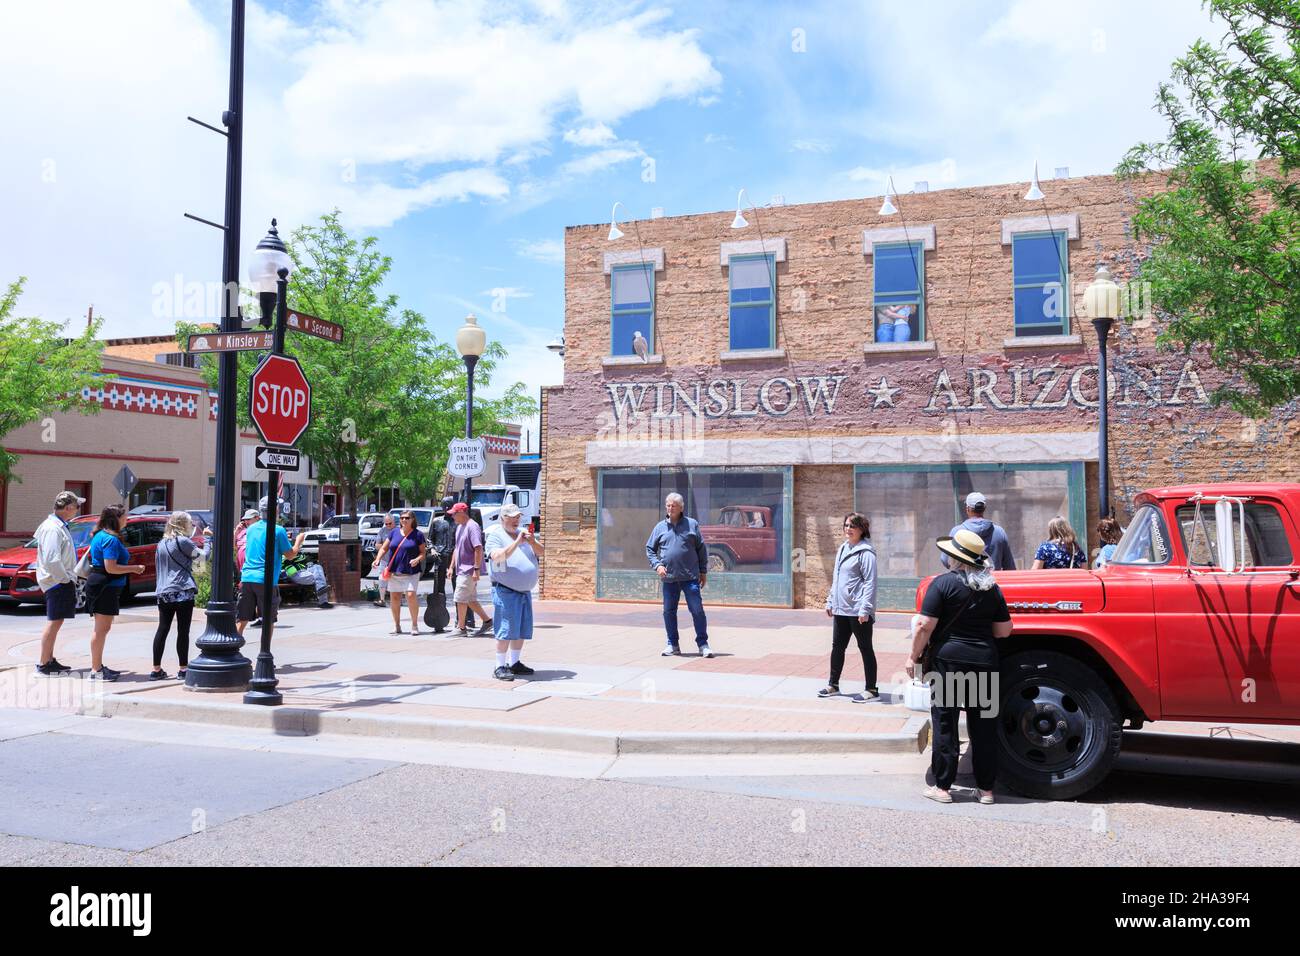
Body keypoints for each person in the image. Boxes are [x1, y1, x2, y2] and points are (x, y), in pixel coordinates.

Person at [908, 529, 1013, 805]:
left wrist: (913, 656)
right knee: (983, 727)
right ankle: (986, 790)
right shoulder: (992, 589)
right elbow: (1004, 631)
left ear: (954, 559)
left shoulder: (942, 584)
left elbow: (924, 625)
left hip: (949, 663)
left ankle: (943, 788)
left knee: (946, 723)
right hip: (984, 663)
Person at [819, 512, 879, 701]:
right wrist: (830, 600)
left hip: (858, 611)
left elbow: (870, 582)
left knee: (865, 648)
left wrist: (865, 609)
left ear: (862, 529)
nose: (848, 529)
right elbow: (837, 578)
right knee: (837, 647)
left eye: (852, 526)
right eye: (846, 525)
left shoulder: (866, 553)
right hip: (841, 609)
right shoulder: (843, 548)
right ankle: (833, 685)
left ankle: (871, 689)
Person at [83, 505, 146, 681]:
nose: (127, 518)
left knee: (103, 628)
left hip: (103, 586)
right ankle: (96, 671)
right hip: (104, 587)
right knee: (100, 629)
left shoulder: (100, 535)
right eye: (124, 516)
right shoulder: (110, 539)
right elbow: (110, 567)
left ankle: (98, 667)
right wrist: (134, 568)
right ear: (116, 519)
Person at [645, 492, 712, 658]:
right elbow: (650, 549)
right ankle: (672, 644)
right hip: (669, 578)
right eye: (668, 505)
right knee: (668, 611)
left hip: (690, 578)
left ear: (681, 507)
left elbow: (701, 549)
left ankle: (703, 644)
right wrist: (657, 565)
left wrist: (703, 571)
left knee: (697, 611)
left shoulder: (692, 524)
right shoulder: (660, 527)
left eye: (673, 505)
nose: (670, 508)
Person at [485, 503, 543, 680]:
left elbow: (541, 552)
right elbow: (497, 557)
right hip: (506, 591)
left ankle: (515, 662)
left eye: (518, 517)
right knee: (506, 629)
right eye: (511, 517)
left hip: (524, 591)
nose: (516, 520)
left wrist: (532, 541)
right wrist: (518, 542)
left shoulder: (524, 533)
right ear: (503, 518)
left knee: (520, 628)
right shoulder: (496, 536)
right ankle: (499, 666)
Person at [151, 511, 211, 680]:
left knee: (162, 629)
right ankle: (183, 669)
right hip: (182, 591)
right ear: (182, 524)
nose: (192, 526)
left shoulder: (161, 543)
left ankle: (156, 670)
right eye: (190, 523)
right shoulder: (183, 541)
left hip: (164, 592)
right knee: (183, 631)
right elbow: (202, 558)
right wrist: (208, 540)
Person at [33, 490, 85, 675]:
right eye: (77, 506)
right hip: (56, 582)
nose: (78, 510)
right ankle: (43, 663)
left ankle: (49, 659)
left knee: (56, 621)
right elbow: (52, 560)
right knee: (54, 621)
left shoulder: (57, 526)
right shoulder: (52, 528)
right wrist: (65, 579)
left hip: (57, 580)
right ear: (69, 507)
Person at [236, 499, 307, 636]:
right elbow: (290, 555)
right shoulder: (278, 530)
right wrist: (299, 541)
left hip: (247, 578)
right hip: (266, 580)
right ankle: (265, 654)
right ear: (275, 510)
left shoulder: (250, 529)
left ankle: (232, 650)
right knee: (268, 620)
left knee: (242, 618)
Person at [375, 510, 427, 635]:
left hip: (411, 572)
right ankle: (397, 625)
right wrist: (377, 559)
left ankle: (414, 625)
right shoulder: (394, 533)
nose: (404, 520)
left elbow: (423, 553)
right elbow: (384, 548)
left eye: (407, 518)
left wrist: (417, 559)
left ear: (412, 520)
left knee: (410, 595)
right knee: (395, 597)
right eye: (402, 518)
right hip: (395, 571)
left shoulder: (418, 535)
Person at [448, 502, 492, 636]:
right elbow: (457, 548)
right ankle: (487, 621)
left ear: (462, 513)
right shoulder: (460, 527)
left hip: (469, 569)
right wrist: (451, 567)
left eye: (454, 514)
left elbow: (478, 548)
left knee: (460, 598)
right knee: (470, 600)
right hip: (462, 569)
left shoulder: (472, 527)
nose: (452, 517)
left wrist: (476, 569)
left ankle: (461, 628)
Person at [944, 492, 1016, 571]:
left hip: (964, 582)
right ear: (984, 508)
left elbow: (945, 560)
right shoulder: (999, 532)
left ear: (967, 508)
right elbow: (1009, 566)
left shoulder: (957, 532)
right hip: (991, 581)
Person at [431, 498, 455, 606]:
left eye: (448, 506)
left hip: (454, 556)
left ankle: (460, 615)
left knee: (456, 584)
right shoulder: (437, 521)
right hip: (440, 555)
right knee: (439, 585)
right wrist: (432, 548)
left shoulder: (457, 522)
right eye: (444, 506)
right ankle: (440, 608)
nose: (446, 509)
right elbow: (429, 539)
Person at [372, 513, 396, 607]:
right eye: (386, 524)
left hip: (395, 561)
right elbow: (377, 545)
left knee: (395, 580)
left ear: (394, 522)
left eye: (390, 523)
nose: (388, 526)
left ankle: (396, 600)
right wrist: (387, 546)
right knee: (382, 579)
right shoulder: (382, 531)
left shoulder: (398, 531)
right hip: (384, 560)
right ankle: (382, 600)